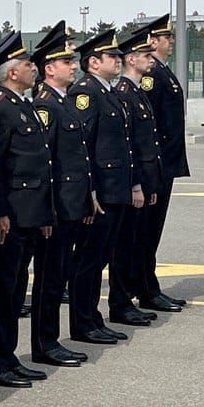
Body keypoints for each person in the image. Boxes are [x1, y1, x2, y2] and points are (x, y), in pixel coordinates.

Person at [0, 31, 54, 388]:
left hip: (28, 214)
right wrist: (1, 211)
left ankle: (7, 357)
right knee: (1, 292)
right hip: (11, 215)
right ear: (11, 71)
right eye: (27, 63)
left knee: (14, 290)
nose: (34, 68)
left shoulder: (21, 103)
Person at [30, 21, 93, 369]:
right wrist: (49, 211)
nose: (73, 66)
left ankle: (50, 339)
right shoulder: (46, 107)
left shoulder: (64, 102)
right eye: (66, 61)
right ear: (49, 68)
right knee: (50, 279)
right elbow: (46, 163)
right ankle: (45, 342)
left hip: (70, 206)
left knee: (59, 276)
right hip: (56, 210)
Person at [66, 31, 131, 345]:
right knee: (88, 261)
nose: (118, 61)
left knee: (100, 258)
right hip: (100, 193)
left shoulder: (108, 92)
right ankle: (82, 322)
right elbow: (83, 146)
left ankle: (92, 317)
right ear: (93, 62)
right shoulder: (86, 93)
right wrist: (89, 194)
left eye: (119, 56)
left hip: (114, 188)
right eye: (112, 57)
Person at [114, 28, 172, 314]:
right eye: (146, 55)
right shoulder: (125, 94)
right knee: (128, 242)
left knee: (141, 238)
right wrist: (137, 184)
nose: (151, 58)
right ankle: (123, 299)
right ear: (132, 59)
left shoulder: (136, 92)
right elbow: (130, 146)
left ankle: (133, 294)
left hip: (148, 179)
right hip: (136, 182)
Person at [141, 15, 189, 310]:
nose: (171, 41)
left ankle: (148, 284)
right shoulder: (152, 76)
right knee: (146, 231)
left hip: (165, 163)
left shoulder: (163, 72)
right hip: (155, 165)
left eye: (171, 37)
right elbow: (148, 124)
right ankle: (146, 287)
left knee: (152, 230)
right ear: (152, 42)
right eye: (165, 37)